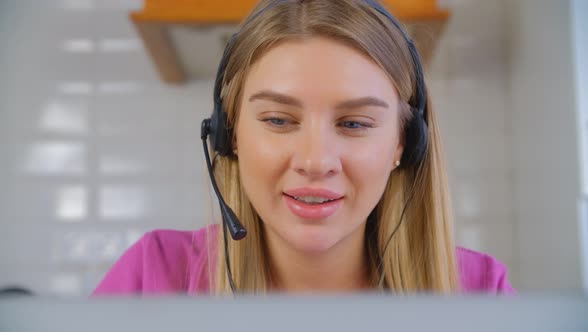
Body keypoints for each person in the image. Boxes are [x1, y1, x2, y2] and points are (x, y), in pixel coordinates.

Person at [93, 0, 515, 295]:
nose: (315, 162)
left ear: (404, 144)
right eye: (278, 120)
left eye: (353, 123)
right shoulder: (153, 276)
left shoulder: (480, 290)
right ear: (230, 135)